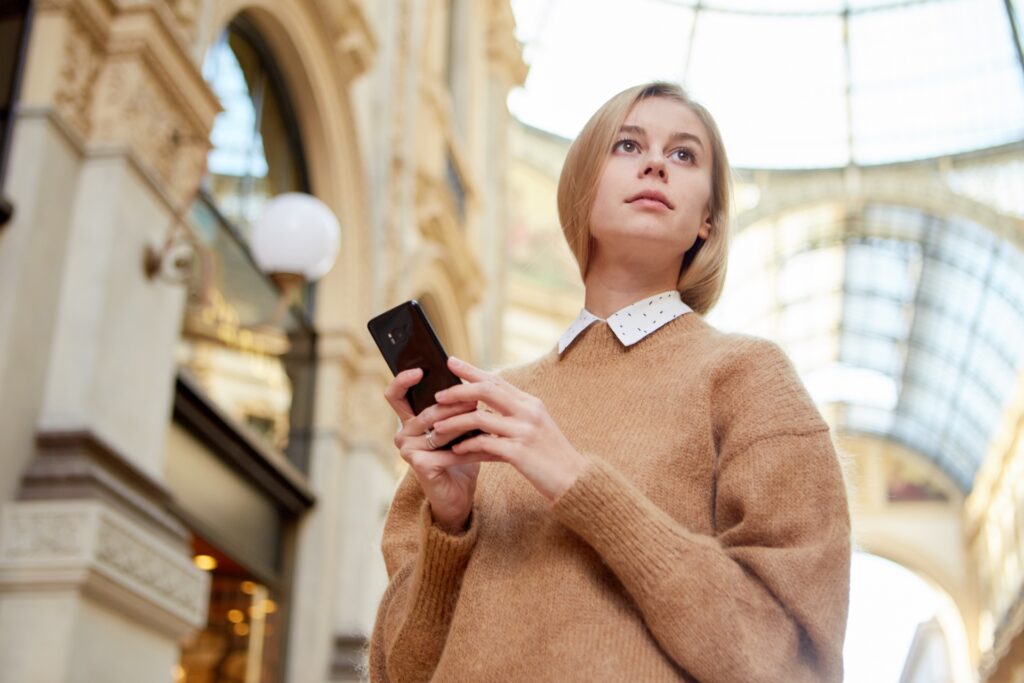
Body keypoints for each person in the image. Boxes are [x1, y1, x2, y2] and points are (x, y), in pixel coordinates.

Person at [368, 82, 851, 682]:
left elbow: (789, 660)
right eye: (627, 144)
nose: (655, 162)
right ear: (580, 191)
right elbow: (402, 672)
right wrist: (450, 524)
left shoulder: (749, 378)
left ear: (708, 219)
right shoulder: (482, 411)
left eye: (684, 155)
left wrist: (576, 480)